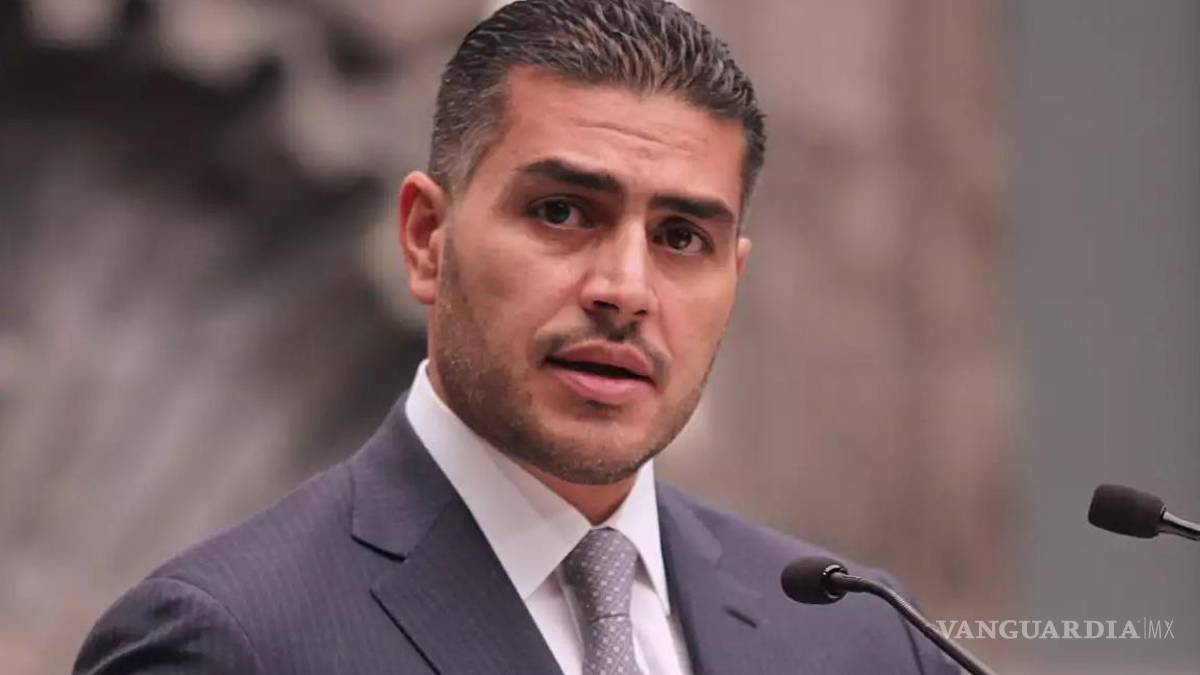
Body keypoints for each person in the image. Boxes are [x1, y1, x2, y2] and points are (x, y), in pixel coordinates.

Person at [75, 1, 957, 673]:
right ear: (427, 236)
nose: (625, 289)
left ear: (735, 275)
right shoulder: (229, 641)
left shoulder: (860, 635)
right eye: (562, 211)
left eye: (681, 236)